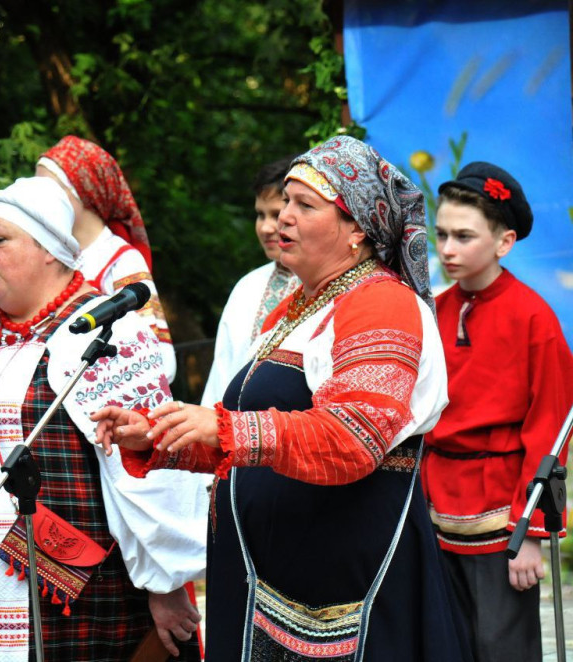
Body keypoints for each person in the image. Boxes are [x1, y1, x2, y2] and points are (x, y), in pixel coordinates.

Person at [92, 136, 473, 661]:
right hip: (269, 578)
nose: (281, 220)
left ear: (357, 228)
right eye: (282, 203)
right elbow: (253, 442)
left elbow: (353, 436)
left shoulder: (382, 303)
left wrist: (222, 428)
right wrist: (162, 440)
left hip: (334, 586)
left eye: (303, 205)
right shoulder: (296, 307)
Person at [0, 177, 208, 661]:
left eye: (0, 240)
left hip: (65, 596)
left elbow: (148, 467)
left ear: (49, 249)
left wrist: (164, 582)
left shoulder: (101, 332)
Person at [422, 161, 573, 662]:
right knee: (449, 646)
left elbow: (550, 431)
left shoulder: (534, 319)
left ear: (503, 242)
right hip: (436, 513)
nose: (447, 249)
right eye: (441, 234)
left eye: (464, 236)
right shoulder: (435, 313)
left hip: (501, 521)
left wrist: (530, 532)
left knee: (502, 649)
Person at [36, 135, 177, 380]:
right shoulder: (53, 257)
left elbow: (160, 360)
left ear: (84, 192)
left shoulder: (122, 262)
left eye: (49, 188)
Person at [201, 155, 301, 407]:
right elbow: (221, 373)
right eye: (260, 215)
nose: (266, 227)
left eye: (276, 214)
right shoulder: (247, 287)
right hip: (230, 433)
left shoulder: (329, 283)